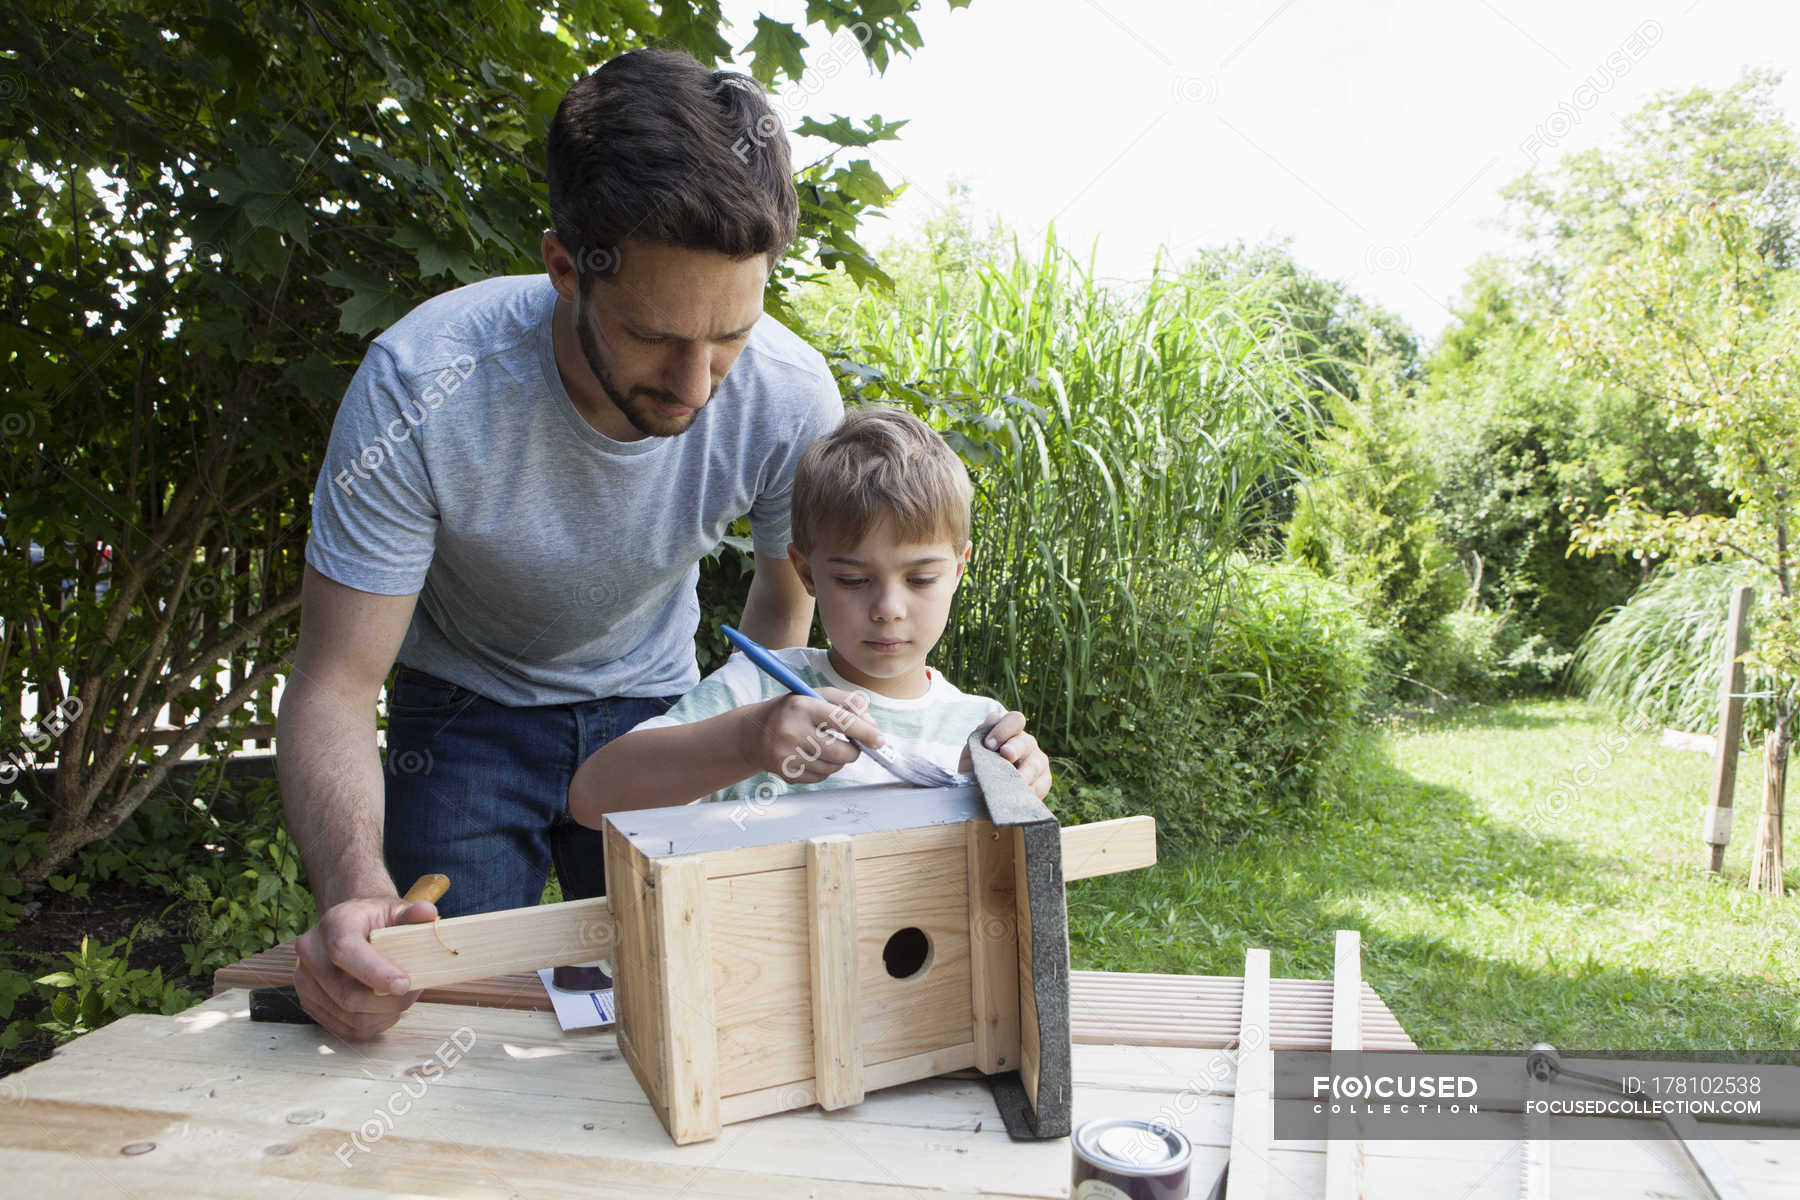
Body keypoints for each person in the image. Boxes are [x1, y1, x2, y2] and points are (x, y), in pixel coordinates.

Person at [276, 48, 1051, 1043]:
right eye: (655, 337)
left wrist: (746, 729)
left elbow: (787, 616)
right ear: (565, 269)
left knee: (691, 996)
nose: (697, 386)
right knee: (443, 1007)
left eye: (730, 333)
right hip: (463, 718)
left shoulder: (790, 391)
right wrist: (356, 893)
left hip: (663, 701)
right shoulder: (422, 384)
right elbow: (336, 682)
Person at [569, 407, 1018, 822]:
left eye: (920, 580)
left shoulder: (981, 730)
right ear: (806, 573)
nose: (888, 610)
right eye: (852, 580)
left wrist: (1016, 787)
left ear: (959, 569)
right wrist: (747, 743)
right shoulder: (758, 690)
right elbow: (593, 799)